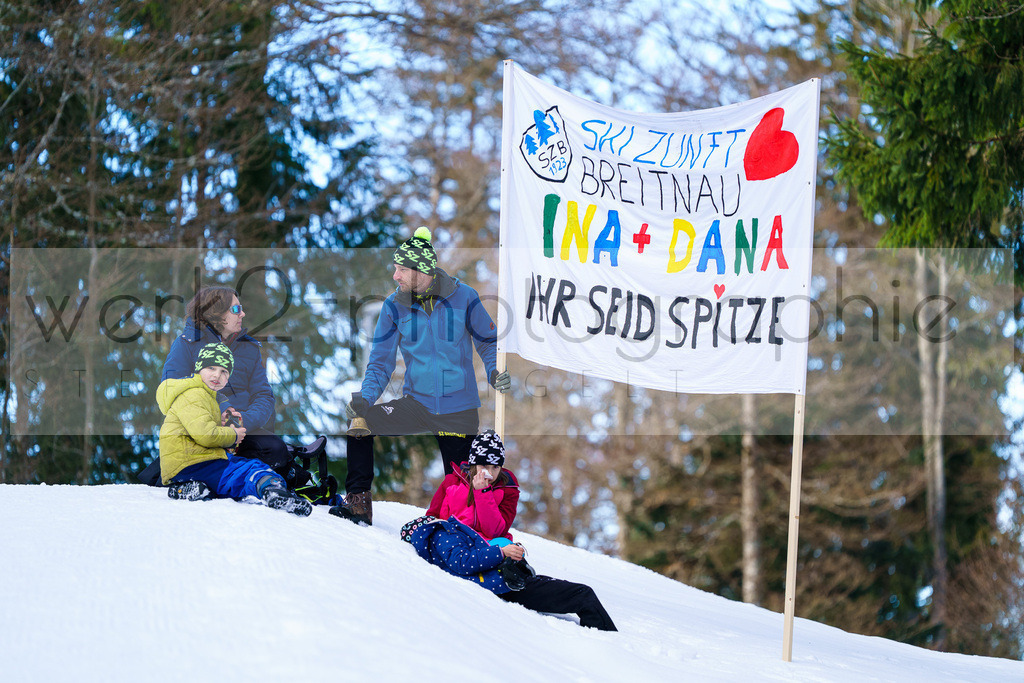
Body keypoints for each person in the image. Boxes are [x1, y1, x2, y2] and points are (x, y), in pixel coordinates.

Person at [331, 227, 512, 526]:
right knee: (361, 423)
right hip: (417, 404)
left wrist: (494, 370)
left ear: (421, 270)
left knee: (461, 490)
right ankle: (358, 503)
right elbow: (380, 363)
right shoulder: (393, 307)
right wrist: (366, 398)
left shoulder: (464, 297)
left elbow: (487, 341)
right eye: (395, 269)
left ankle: (467, 530)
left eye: (402, 269)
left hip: (458, 410)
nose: (396, 276)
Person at [157, 342, 311, 516]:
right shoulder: (193, 394)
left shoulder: (207, 396)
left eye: (224, 371)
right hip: (193, 462)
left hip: (189, 465)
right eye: (211, 368)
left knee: (226, 479)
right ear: (199, 369)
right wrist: (233, 435)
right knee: (249, 469)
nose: (217, 375)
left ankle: (186, 489)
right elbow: (205, 434)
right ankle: (273, 491)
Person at [400, 515, 617, 631]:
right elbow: (462, 562)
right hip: (504, 585)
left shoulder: (440, 537)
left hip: (505, 581)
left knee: (579, 594)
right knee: (582, 595)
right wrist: (500, 552)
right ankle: (611, 648)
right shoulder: (441, 534)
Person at [161, 286, 290, 469]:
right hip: (200, 429)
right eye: (236, 309)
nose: (242, 314)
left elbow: (264, 395)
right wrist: (221, 412)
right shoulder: (186, 343)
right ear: (216, 312)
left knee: (275, 449)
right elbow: (172, 389)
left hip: (243, 431)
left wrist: (241, 420)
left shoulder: (249, 348)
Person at [425, 430, 519, 542]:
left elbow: (495, 532)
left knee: (506, 545)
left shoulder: (508, 490)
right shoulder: (452, 482)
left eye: (495, 467)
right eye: (484, 465)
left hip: (486, 543)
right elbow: (432, 517)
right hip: (453, 538)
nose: (490, 472)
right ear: (474, 464)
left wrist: (483, 493)